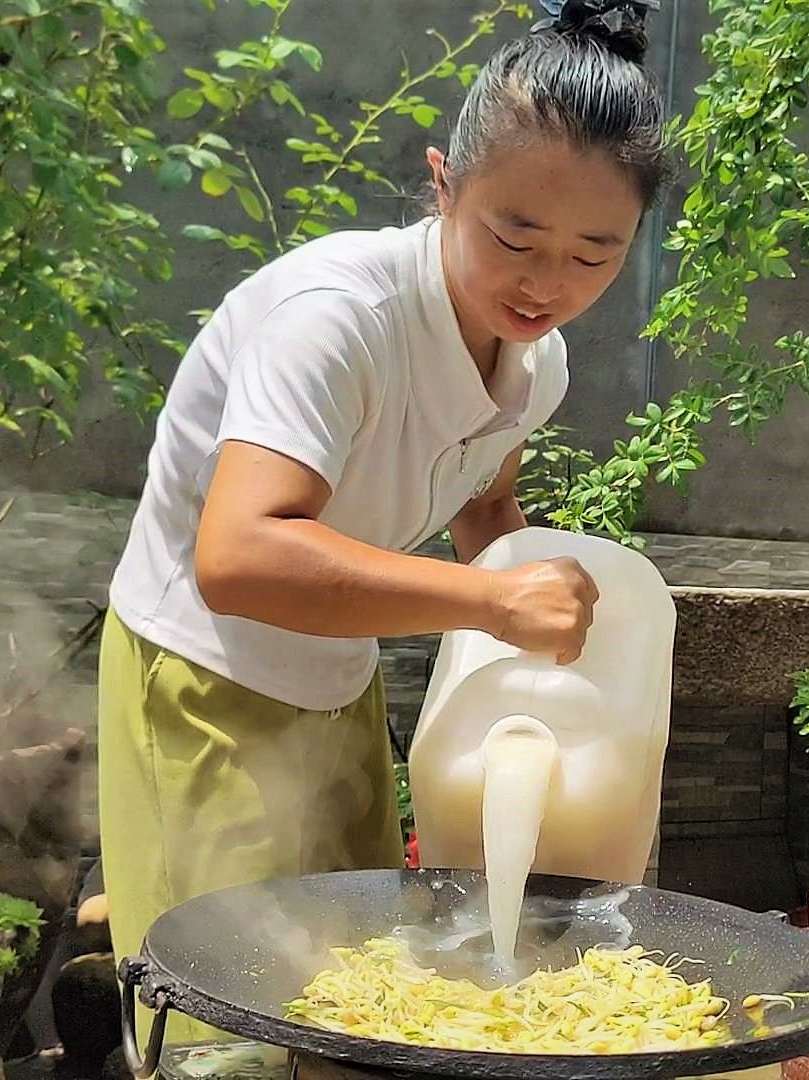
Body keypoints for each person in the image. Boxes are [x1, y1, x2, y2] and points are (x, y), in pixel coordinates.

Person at [98, 0, 670, 1047]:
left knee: (360, 986)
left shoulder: (533, 358)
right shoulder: (334, 321)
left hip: (339, 677)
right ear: (444, 183)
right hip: (204, 673)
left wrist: (553, 658)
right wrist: (496, 602)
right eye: (515, 236)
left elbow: (484, 505)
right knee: (224, 1018)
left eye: (596, 255)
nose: (547, 283)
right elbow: (239, 555)